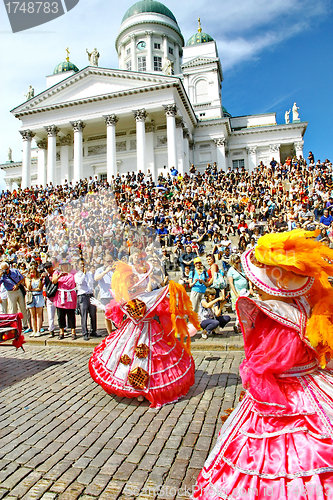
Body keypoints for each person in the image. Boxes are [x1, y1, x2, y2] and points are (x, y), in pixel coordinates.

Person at [194, 228, 333, 499]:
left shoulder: (277, 315)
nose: (254, 285)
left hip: (286, 392)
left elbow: (267, 363)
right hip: (314, 384)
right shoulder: (306, 305)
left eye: (257, 282)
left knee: (275, 453)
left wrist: (251, 374)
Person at [89, 260, 200, 407]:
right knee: (147, 358)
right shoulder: (151, 297)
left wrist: (102, 306)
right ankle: (140, 390)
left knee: (134, 357)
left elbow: (113, 310)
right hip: (148, 329)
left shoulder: (133, 298)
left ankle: (138, 389)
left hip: (133, 331)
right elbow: (164, 310)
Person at [52, 259, 77, 340]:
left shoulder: (74, 272)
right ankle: (61, 331)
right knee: (60, 315)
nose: (64, 266)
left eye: (66, 264)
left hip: (70, 294)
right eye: (62, 265)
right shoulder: (57, 272)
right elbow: (54, 281)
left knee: (71, 314)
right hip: (60, 295)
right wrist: (60, 275)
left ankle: (73, 331)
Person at [0, 261, 29, 331]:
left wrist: (17, 284)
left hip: (18, 290)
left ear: (9, 267)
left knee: (22, 308)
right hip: (10, 292)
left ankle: (25, 325)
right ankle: (14, 325)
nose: (5, 271)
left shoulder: (15, 271)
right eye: (3, 269)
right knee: (12, 310)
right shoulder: (2, 276)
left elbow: (22, 278)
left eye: (6, 269)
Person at [75, 259, 99, 341]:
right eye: (81, 264)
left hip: (90, 295)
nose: (82, 265)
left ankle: (93, 330)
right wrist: (83, 274)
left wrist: (93, 293)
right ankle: (85, 333)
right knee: (84, 315)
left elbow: (91, 284)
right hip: (83, 296)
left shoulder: (89, 274)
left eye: (83, 264)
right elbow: (80, 282)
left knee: (93, 314)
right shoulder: (77, 275)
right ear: (78, 265)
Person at [227, 254, 252, 332]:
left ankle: (243, 325)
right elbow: (231, 283)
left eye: (239, 262)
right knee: (239, 309)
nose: (239, 264)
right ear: (233, 262)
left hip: (245, 291)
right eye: (237, 262)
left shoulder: (243, 268)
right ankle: (238, 325)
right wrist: (236, 294)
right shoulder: (231, 270)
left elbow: (249, 278)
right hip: (237, 291)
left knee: (246, 309)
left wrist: (251, 288)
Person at [94, 256, 114, 335]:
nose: (110, 263)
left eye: (111, 261)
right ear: (104, 261)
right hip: (105, 296)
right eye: (108, 261)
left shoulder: (113, 270)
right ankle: (109, 333)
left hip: (114, 295)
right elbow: (96, 278)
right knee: (107, 315)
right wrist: (106, 271)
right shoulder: (100, 270)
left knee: (117, 314)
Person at [25, 265, 44, 337]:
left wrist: (33, 289)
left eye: (34, 272)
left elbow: (39, 288)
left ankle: (38, 330)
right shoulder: (28, 279)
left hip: (38, 296)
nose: (32, 273)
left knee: (38, 314)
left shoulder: (39, 279)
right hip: (31, 297)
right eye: (31, 272)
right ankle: (34, 330)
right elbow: (29, 288)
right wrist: (30, 279)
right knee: (32, 315)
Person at [43, 261, 56, 337]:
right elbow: (44, 287)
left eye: (49, 267)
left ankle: (63, 328)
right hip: (50, 297)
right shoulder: (46, 277)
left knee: (61, 314)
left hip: (57, 296)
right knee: (50, 315)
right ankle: (51, 330)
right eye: (46, 268)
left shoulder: (56, 274)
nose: (48, 269)